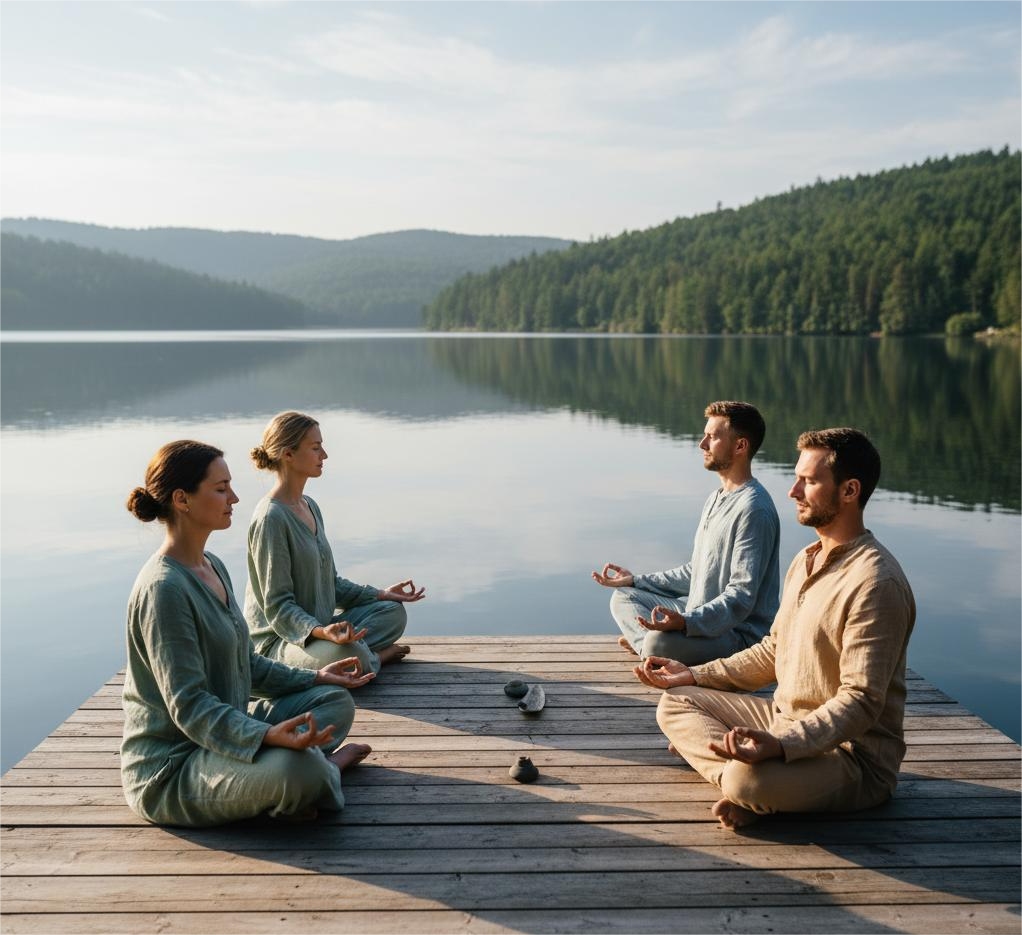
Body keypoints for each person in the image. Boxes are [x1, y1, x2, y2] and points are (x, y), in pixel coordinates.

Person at [637, 428, 916, 830]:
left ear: (850, 490)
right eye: (797, 478)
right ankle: (757, 790)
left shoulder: (876, 583)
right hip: (782, 721)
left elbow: (861, 701)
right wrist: (696, 674)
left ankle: (749, 787)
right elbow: (773, 649)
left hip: (852, 759)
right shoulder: (806, 559)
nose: (793, 491)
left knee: (743, 777)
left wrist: (783, 746)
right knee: (677, 700)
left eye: (809, 481)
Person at [121, 440, 375, 827]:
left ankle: (300, 777)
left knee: (333, 701)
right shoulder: (163, 590)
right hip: (173, 767)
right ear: (182, 500)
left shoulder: (213, 566)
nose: (234, 498)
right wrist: (266, 735)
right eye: (221, 488)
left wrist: (317, 675)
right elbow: (188, 706)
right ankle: (324, 771)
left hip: (227, 729)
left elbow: (245, 662)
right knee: (299, 768)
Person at [592, 400, 780, 666]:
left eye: (712, 437)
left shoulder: (754, 509)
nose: (702, 444)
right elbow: (696, 572)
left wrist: (687, 622)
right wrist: (636, 581)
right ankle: (651, 646)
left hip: (736, 636)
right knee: (623, 597)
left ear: (740, 446)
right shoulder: (716, 498)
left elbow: (741, 597)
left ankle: (651, 647)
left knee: (657, 642)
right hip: (697, 615)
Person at [245, 411, 424, 676]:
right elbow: (278, 607)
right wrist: (321, 632)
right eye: (316, 448)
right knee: (350, 656)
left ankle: (355, 652)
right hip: (282, 642)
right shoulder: (271, 518)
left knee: (392, 612)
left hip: (320, 629)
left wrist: (381, 594)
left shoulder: (309, 506)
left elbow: (331, 583)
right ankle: (373, 658)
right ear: (288, 454)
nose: (324, 455)